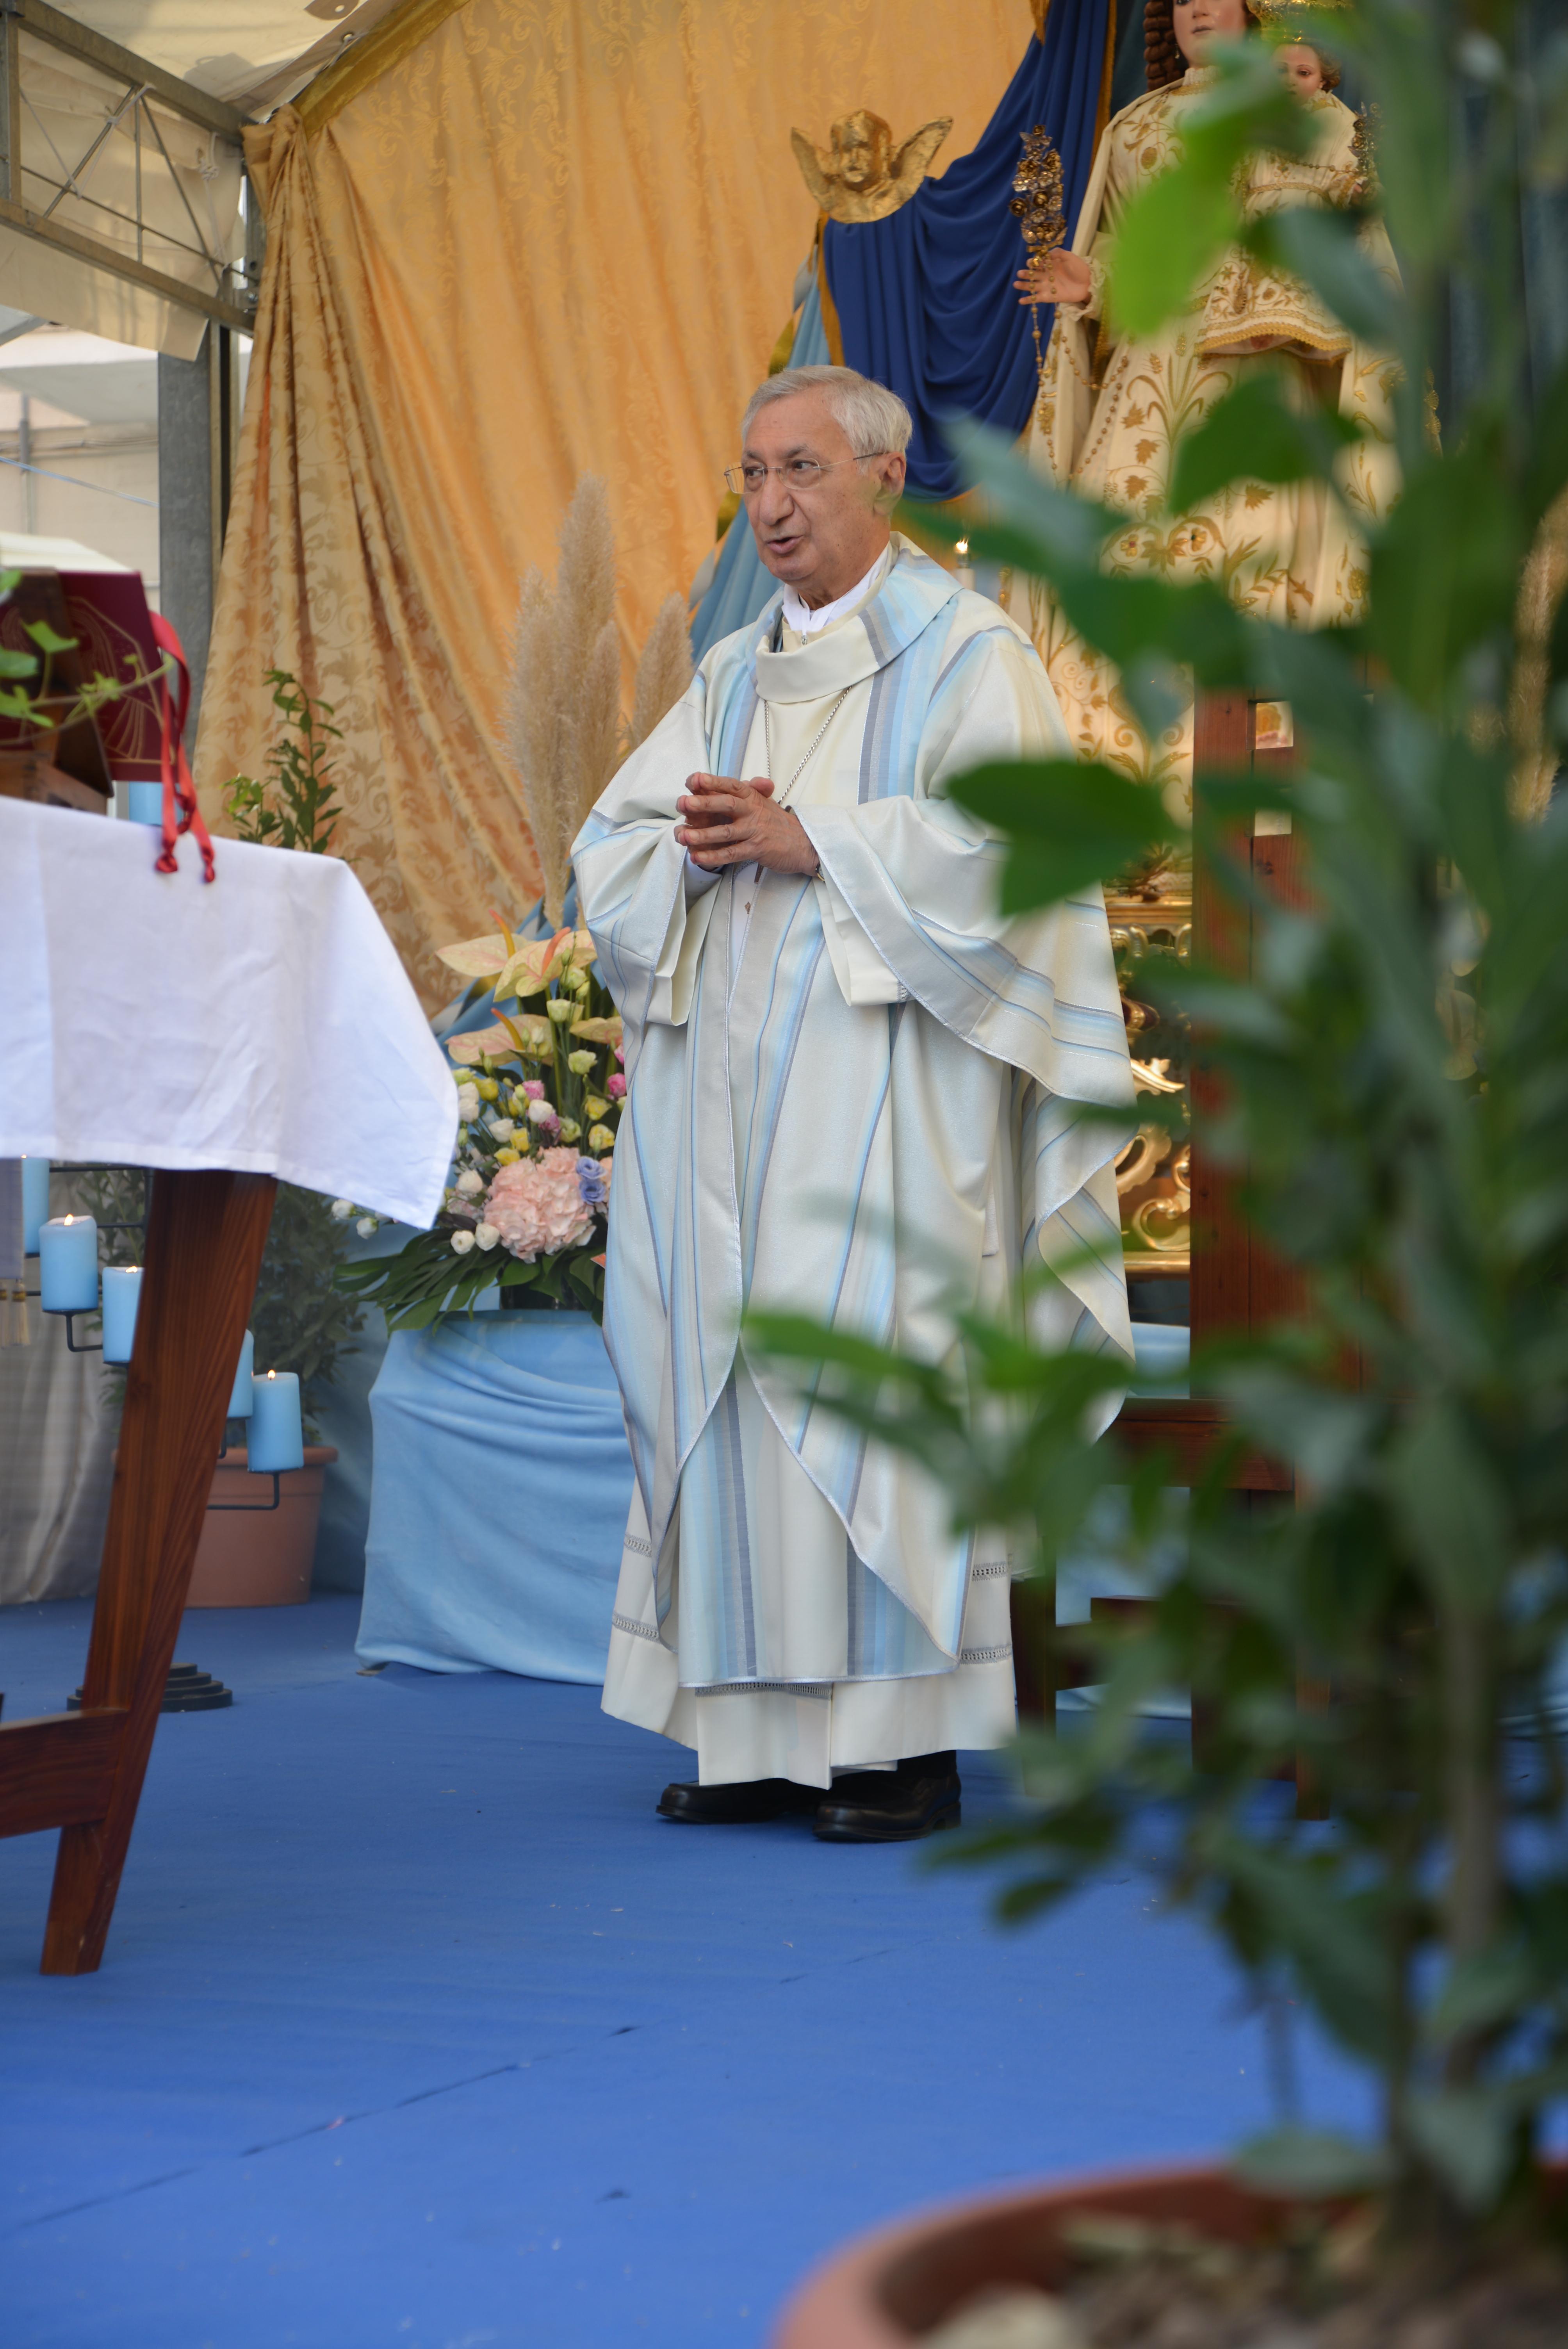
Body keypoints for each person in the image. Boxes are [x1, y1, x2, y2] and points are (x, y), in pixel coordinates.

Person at [572, 365, 1135, 1842]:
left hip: (886, 1104)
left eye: (803, 469)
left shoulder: (969, 655)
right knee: (730, 1381)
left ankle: (901, 1746)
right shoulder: (727, 674)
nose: (772, 505)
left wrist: (816, 838)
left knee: (875, 1384)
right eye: (754, 473)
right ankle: (754, 1733)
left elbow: (1023, 854)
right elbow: (611, 850)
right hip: (720, 1112)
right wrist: (686, 854)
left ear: (886, 477)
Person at [1013, 0, 1400, 795]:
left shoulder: (1308, 115)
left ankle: (1260, 809)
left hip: (1268, 396)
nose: (1194, 5)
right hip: (1147, 403)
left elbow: (1359, 252)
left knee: (1256, 581)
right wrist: (1094, 283)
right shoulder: (1135, 129)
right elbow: (1125, 261)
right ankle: (1130, 805)